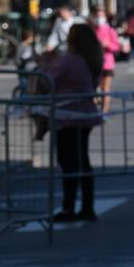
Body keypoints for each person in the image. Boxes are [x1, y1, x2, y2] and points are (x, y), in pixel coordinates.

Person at [39, 23, 103, 221]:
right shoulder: (92, 60)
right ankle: (87, 206)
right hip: (85, 114)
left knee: (68, 163)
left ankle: (68, 208)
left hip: (66, 115)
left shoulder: (68, 61)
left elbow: (46, 82)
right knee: (82, 160)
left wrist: (44, 65)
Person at [91, 6, 120, 112]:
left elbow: (116, 47)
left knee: (105, 88)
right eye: (97, 16)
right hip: (93, 63)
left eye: (101, 16)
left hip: (107, 63)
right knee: (93, 88)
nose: (99, 18)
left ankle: (104, 111)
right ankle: (93, 109)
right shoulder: (91, 30)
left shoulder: (110, 30)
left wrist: (107, 45)